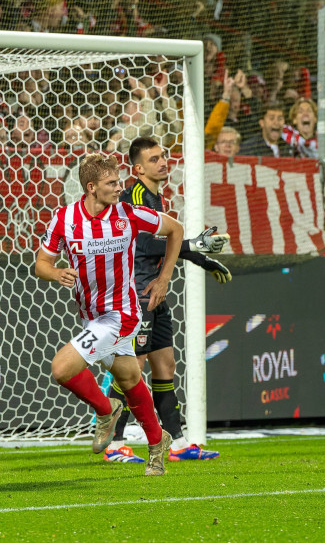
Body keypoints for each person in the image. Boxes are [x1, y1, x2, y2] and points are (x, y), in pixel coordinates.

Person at [35, 152, 181, 476]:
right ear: (91, 187)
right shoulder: (64, 219)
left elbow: (176, 229)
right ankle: (158, 441)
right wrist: (56, 272)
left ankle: (106, 409)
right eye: (112, 183)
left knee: (61, 368)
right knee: (129, 378)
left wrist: (164, 278)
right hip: (91, 316)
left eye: (119, 181)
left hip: (123, 313)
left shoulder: (129, 214)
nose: (119, 188)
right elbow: (40, 264)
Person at [104, 137, 231, 463]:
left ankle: (176, 443)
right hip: (136, 295)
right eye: (155, 158)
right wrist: (196, 246)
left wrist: (203, 259)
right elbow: (144, 246)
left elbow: (171, 245)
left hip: (155, 294)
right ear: (138, 168)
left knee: (165, 366)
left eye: (163, 156)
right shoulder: (134, 197)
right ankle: (113, 444)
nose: (163, 162)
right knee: (132, 370)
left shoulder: (155, 197)